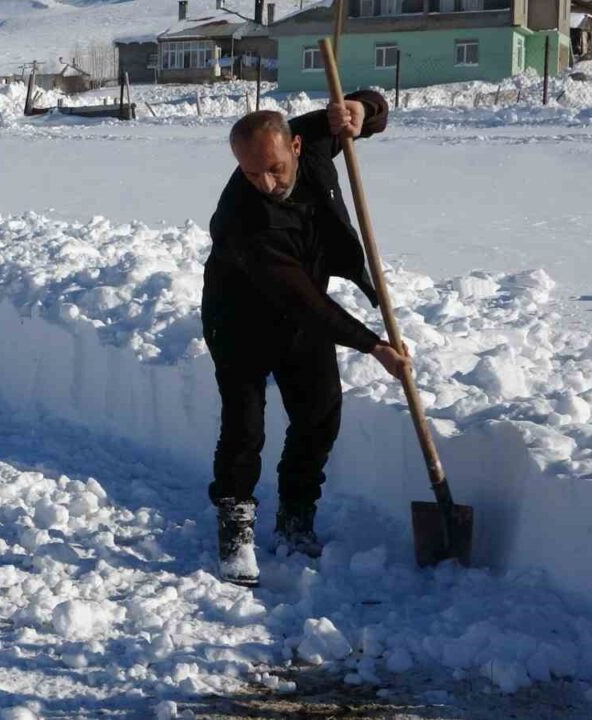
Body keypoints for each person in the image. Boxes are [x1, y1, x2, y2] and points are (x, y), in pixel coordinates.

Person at [202, 92, 410, 586]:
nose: (266, 183)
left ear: (295, 146)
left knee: (319, 414)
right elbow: (304, 300)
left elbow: (362, 112)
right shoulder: (243, 219)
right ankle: (236, 528)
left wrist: (362, 111)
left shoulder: (309, 139)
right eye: (252, 173)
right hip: (239, 321)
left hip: (299, 315)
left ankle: (296, 515)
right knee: (245, 427)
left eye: (274, 168)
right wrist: (372, 344)